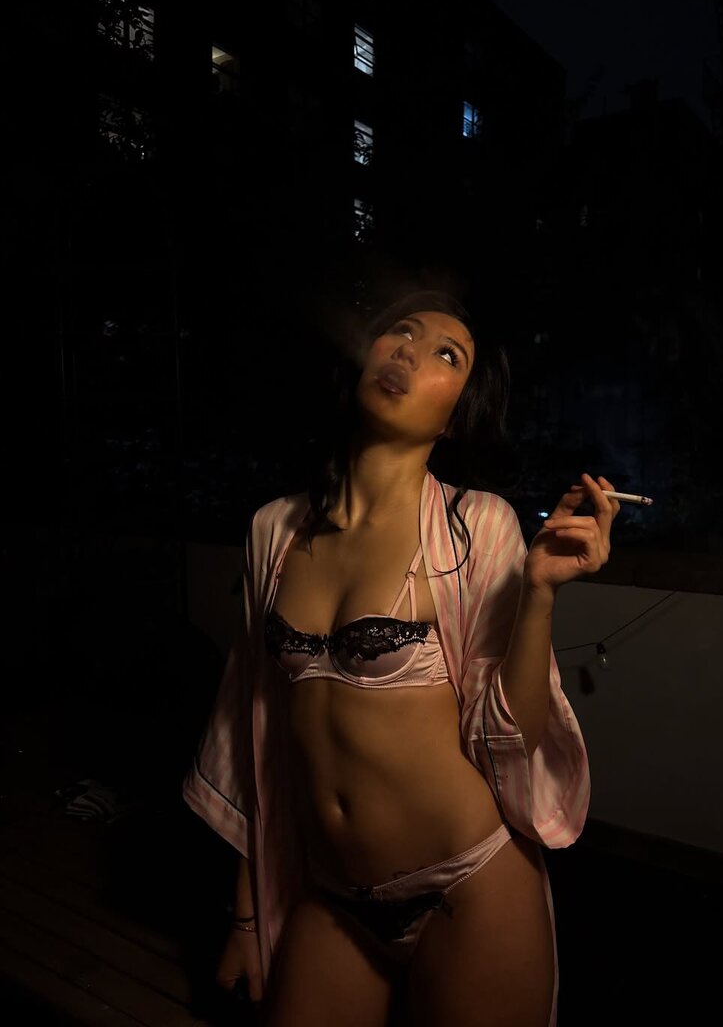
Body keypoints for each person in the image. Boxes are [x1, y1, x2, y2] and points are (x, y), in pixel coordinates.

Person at [182, 289, 621, 1027]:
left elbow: (508, 735)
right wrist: (246, 916)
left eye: (447, 354)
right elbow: (255, 736)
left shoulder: (477, 524)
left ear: (455, 416)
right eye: (400, 333)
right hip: (334, 894)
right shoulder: (273, 531)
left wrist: (539, 594)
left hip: (469, 887)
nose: (409, 352)